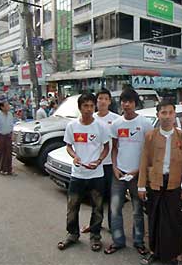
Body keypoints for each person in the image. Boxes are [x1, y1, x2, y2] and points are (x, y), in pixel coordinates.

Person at [138, 101, 182, 265]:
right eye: (163, 113)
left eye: (170, 113)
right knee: (154, 218)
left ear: (175, 115)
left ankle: (175, 255)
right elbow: (144, 160)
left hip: (173, 183)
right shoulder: (151, 136)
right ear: (158, 115)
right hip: (155, 182)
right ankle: (154, 252)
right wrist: (141, 185)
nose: (167, 116)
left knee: (174, 221)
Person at [57, 93, 110, 252]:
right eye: (85, 106)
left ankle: (95, 236)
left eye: (91, 106)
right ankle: (72, 234)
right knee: (72, 206)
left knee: (98, 207)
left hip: (96, 175)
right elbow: (68, 146)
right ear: (80, 107)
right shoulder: (72, 126)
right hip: (77, 174)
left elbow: (106, 147)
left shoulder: (101, 126)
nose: (88, 109)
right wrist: (74, 157)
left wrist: (99, 161)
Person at [104, 88, 153, 255]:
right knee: (115, 208)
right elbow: (115, 148)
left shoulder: (145, 124)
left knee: (137, 210)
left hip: (137, 175)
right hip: (119, 174)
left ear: (135, 104)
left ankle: (139, 242)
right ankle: (118, 241)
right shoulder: (117, 124)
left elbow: (149, 152)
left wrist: (138, 171)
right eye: (124, 101)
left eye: (130, 101)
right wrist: (115, 167)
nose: (126, 104)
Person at [80, 89, 120, 233]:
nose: (102, 101)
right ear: (96, 102)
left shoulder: (116, 119)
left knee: (110, 197)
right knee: (96, 197)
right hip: (95, 165)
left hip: (110, 165)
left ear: (109, 101)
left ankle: (112, 226)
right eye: (100, 98)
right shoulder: (91, 118)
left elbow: (117, 143)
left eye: (105, 98)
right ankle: (95, 225)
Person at [0, 101, 15, 175]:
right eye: (7, 105)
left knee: (8, 153)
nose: (9, 107)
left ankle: (8, 170)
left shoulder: (10, 114)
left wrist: (13, 135)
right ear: (2, 107)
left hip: (8, 136)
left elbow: (12, 126)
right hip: (0, 136)